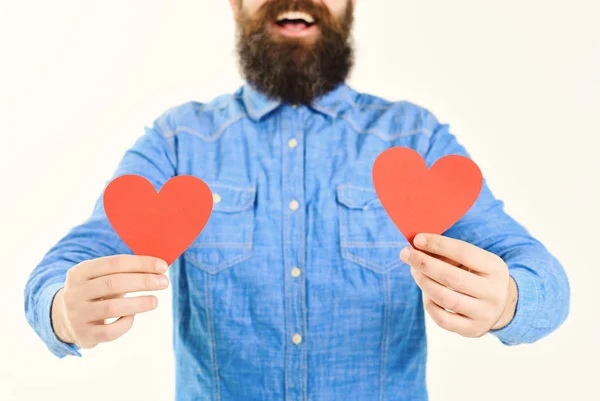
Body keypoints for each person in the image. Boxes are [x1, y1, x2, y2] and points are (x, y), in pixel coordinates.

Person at [24, 1, 570, 400]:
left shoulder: (417, 139)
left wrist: (508, 302)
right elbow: (60, 270)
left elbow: (544, 279)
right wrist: (63, 313)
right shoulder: (176, 142)